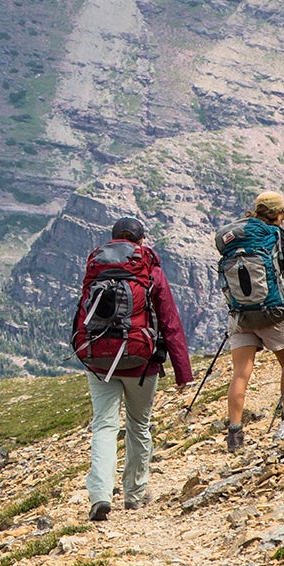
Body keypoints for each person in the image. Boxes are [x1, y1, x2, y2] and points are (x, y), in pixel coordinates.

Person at [70, 215, 192, 522]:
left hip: (98, 359)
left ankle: (100, 494)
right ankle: (134, 496)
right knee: (139, 425)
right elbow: (170, 323)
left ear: (114, 239)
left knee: (104, 426)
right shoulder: (150, 269)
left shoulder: (96, 266)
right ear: (139, 242)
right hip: (141, 362)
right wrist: (182, 373)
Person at [224, 192, 284, 450]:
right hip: (273, 315)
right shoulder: (283, 240)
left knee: (240, 374)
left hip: (241, 315)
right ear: (281, 215)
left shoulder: (238, 239)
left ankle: (234, 431)